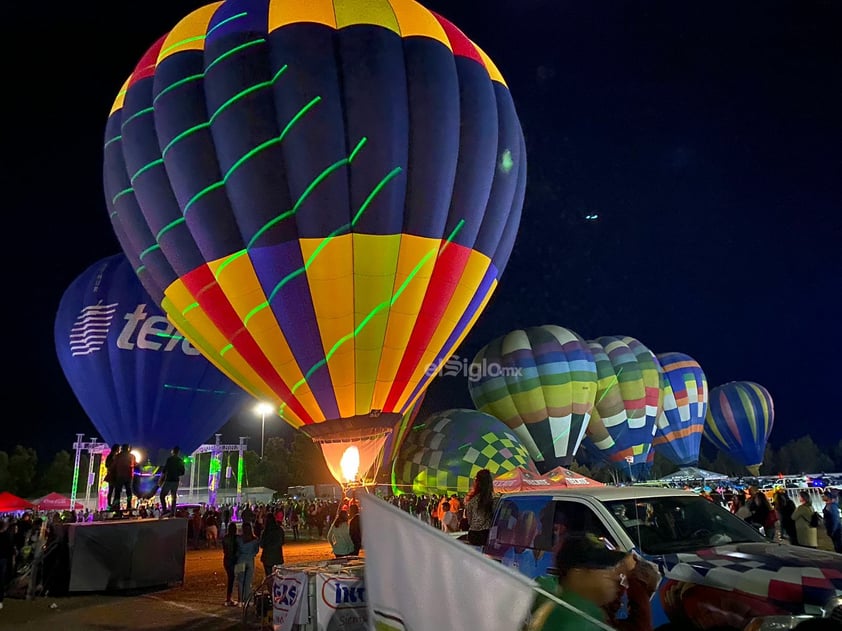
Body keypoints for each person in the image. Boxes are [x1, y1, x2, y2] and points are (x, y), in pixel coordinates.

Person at [529, 534, 628, 630]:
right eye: (606, 568)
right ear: (578, 574)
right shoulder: (574, 621)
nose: (615, 577)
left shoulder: (584, 613)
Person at [464, 468, 495, 546]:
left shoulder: (472, 501)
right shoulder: (494, 500)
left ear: (477, 482)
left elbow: (469, 521)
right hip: (487, 534)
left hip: (473, 535)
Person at [235, 521, 260, 605]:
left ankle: (240, 600)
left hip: (240, 560)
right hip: (250, 560)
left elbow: (236, 550)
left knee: (240, 581)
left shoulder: (239, 539)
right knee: (248, 582)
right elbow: (256, 551)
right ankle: (248, 600)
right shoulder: (255, 539)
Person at [160, 446, 185, 517]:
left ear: (172, 451)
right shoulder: (180, 460)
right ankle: (172, 512)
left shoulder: (169, 459)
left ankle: (164, 510)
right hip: (176, 481)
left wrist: (162, 477)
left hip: (169, 480)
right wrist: (177, 474)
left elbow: (165, 469)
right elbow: (183, 472)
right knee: (173, 496)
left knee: (162, 495)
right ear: (178, 452)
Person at [222, 522, 238, 606]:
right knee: (236, 578)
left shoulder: (225, 538)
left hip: (227, 560)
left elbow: (224, 549)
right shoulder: (236, 538)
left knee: (231, 579)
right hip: (234, 561)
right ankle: (234, 597)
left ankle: (229, 597)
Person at [104, 443, 121, 510]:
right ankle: (111, 503)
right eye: (118, 448)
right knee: (114, 490)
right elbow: (107, 465)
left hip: (113, 474)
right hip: (113, 475)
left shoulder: (112, 456)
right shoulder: (113, 456)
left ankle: (111, 503)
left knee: (111, 490)